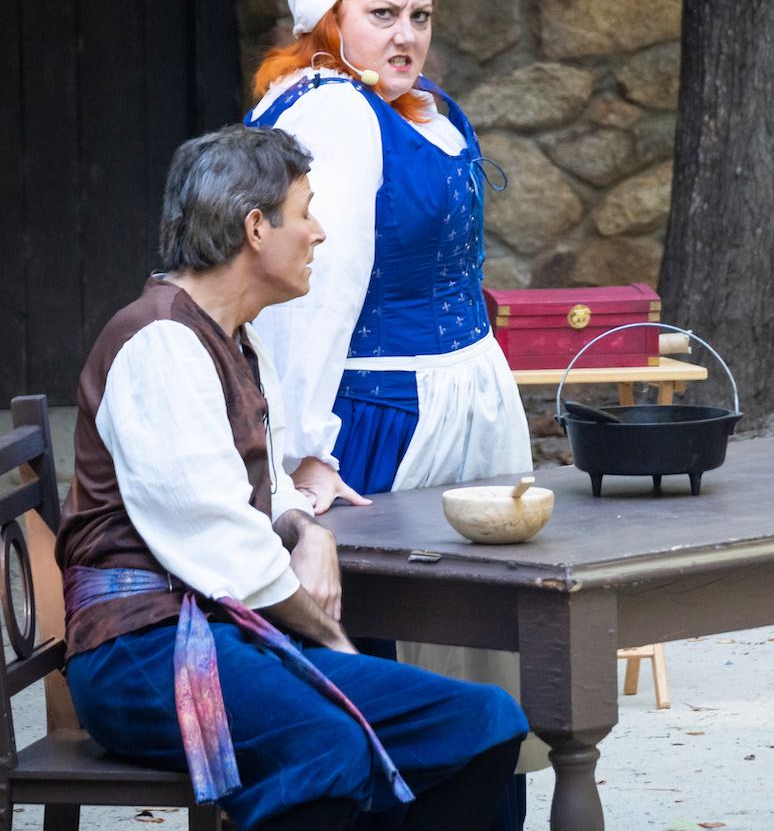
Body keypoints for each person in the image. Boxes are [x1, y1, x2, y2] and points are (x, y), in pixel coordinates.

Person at [55, 126, 528, 831]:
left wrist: (307, 528)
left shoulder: (235, 339)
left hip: (231, 638)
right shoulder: (159, 343)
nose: (320, 233)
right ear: (256, 228)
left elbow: (266, 490)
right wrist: (328, 637)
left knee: (484, 723)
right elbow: (219, 540)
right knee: (328, 746)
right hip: (141, 653)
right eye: (305, 212)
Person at [242, 0, 541, 826]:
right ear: (330, 20)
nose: (406, 35)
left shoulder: (422, 106)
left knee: (484, 650)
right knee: (398, 654)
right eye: (382, 15)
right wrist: (304, 447)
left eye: (421, 15)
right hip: (386, 413)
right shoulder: (332, 111)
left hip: (467, 398)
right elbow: (309, 295)